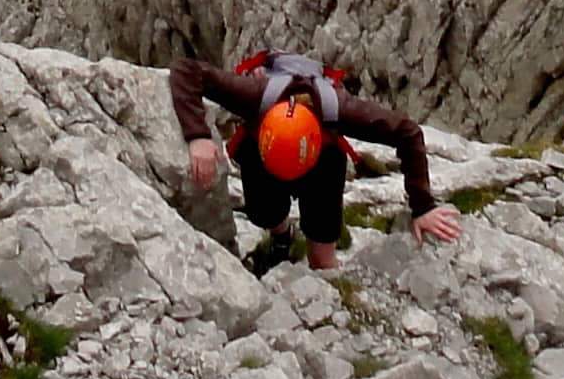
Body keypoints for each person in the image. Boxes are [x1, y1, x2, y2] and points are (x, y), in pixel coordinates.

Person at [170, 46, 465, 271]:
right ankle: (282, 236)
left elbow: (408, 133)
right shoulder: (253, 95)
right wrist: (198, 137)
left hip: (322, 163)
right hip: (263, 155)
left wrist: (423, 207)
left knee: (323, 257)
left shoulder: (341, 111)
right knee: (264, 215)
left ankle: (322, 281)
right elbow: (186, 70)